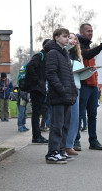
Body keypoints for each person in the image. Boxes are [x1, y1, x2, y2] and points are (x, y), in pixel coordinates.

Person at [74, 23, 102, 151]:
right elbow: (87, 55)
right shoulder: (77, 46)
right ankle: (76, 140)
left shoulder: (88, 45)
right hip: (83, 86)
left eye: (92, 31)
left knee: (92, 115)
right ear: (82, 32)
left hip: (93, 86)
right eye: (88, 31)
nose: (91, 33)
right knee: (79, 114)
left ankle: (93, 140)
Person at [45, 28, 78, 164]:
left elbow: (69, 76)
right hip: (59, 95)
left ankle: (60, 151)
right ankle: (52, 153)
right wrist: (62, 89)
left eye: (67, 37)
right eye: (64, 36)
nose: (67, 39)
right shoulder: (53, 53)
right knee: (57, 125)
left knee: (65, 125)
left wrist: (72, 91)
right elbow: (51, 74)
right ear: (56, 38)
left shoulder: (64, 53)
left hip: (67, 96)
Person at [65, 33, 96, 156]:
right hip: (66, 89)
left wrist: (90, 71)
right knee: (65, 119)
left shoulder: (78, 57)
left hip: (76, 89)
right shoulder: (63, 53)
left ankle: (69, 145)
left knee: (75, 120)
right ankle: (63, 146)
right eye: (70, 38)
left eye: (75, 39)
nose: (73, 41)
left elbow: (80, 76)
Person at [26, 39, 50, 144]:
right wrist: (38, 80)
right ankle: (36, 137)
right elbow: (29, 66)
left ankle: (38, 135)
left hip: (40, 89)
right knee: (36, 113)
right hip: (36, 89)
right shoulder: (40, 56)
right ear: (44, 46)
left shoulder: (46, 56)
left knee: (38, 113)